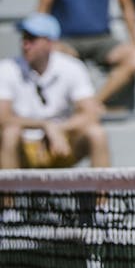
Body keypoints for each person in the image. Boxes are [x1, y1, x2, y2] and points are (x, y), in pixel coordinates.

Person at [0, 14, 111, 171]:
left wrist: (60, 129)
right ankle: (7, 196)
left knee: (96, 134)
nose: (25, 44)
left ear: (49, 43)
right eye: (24, 38)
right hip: (24, 147)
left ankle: (101, 196)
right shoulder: (6, 69)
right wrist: (45, 125)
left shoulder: (72, 67)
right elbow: (3, 118)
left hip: (61, 147)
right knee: (10, 135)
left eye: (32, 39)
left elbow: (90, 114)